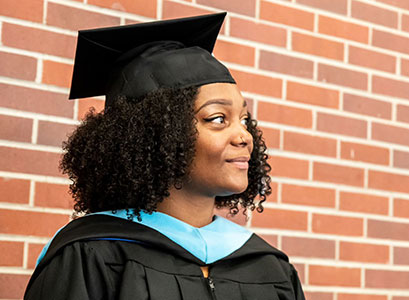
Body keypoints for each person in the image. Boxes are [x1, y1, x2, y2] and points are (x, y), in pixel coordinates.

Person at [24, 12, 305, 300]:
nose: (244, 136)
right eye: (218, 118)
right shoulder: (91, 257)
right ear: (157, 135)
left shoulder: (271, 269)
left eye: (244, 120)